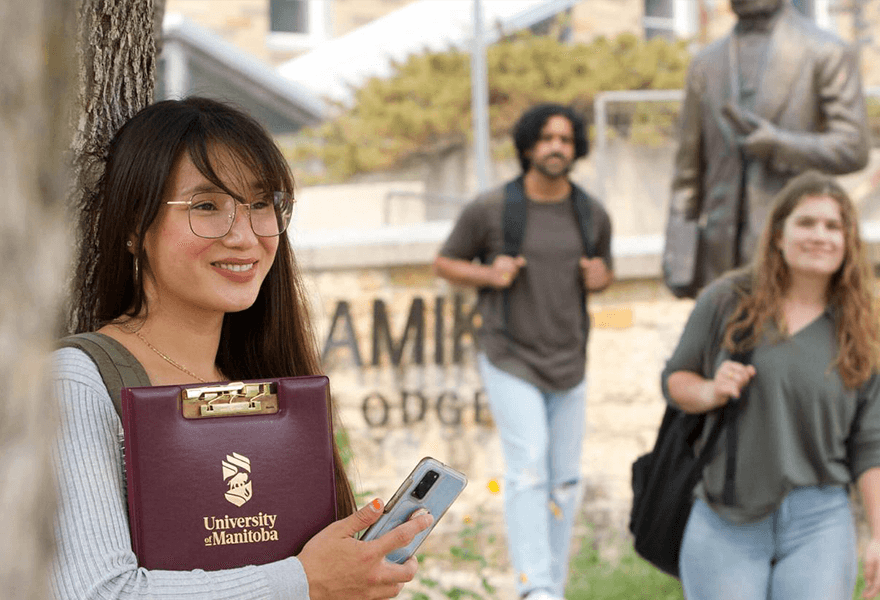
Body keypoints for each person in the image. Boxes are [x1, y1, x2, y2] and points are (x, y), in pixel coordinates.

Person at [51, 97, 433, 599]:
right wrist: (305, 580)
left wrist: (353, 572)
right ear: (132, 228)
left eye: (260, 205)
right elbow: (97, 593)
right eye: (206, 206)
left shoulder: (264, 382)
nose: (244, 236)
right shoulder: (77, 380)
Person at [663, 170, 880, 600]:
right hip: (726, 515)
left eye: (833, 226)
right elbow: (676, 380)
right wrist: (710, 390)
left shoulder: (860, 331)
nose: (820, 235)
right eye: (806, 222)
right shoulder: (727, 301)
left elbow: (872, 444)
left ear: (849, 242)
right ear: (778, 235)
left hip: (819, 520)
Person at [434, 103, 613, 600]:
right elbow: (445, 262)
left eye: (567, 139)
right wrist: (489, 274)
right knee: (529, 467)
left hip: (570, 359)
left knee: (565, 481)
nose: (558, 147)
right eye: (548, 138)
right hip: (510, 355)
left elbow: (604, 270)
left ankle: (552, 582)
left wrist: (602, 277)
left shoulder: (590, 212)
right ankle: (535, 587)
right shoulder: (492, 208)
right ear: (529, 146)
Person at [663, 0, 869, 298]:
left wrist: (780, 145)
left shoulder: (825, 51)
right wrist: (679, 259)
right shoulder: (706, 63)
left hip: (798, 254)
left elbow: (854, 146)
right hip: (722, 259)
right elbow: (687, 174)